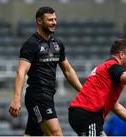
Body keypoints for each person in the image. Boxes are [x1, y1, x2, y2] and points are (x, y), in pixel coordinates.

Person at [8, 6, 82, 136]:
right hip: (37, 96)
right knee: (56, 133)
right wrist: (16, 98)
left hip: (49, 95)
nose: (54, 22)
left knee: (32, 134)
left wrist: (83, 91)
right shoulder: (31, 44)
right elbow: (21, 72)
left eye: (55, 19)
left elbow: (68, 70)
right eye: (50, 20)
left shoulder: (57, 44)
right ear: (39, 21)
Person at [68, 39, 126, 136]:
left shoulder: (107, 70)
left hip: (84, 114)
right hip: (88, 114)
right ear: (121, 55)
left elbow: (115, 107)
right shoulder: (112, 67)